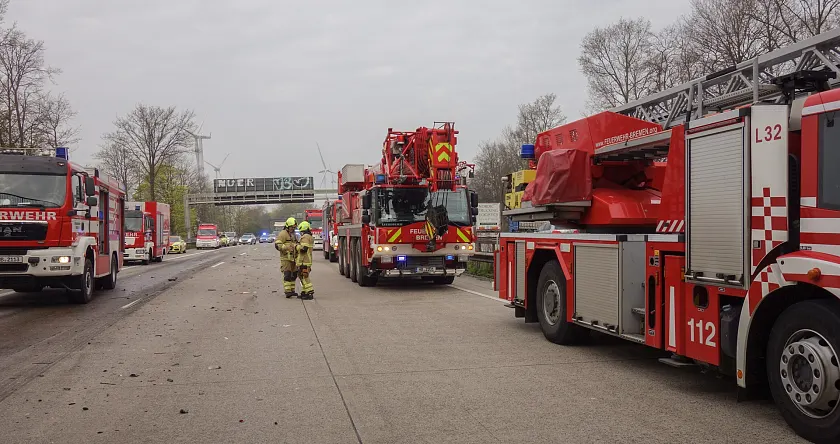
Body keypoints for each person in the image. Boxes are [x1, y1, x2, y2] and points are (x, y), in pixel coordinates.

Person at [274, 217, 298, 298]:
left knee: (294, 274)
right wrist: (286, 248)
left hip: (293, 258)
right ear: (287, 226)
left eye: (294, 227)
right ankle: (287, 291)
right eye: (292, 227)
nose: (293, 229)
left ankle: (292, 290)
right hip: (285, 258)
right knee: (287, 274)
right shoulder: (283, 234)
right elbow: (277, 244)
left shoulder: (293, 234)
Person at [295, 220, 315, 300]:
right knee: (302, 276)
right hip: (307, 260)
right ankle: (304, 292)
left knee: (304, 276)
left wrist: (296, 246)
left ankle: (309, 292)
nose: (300, 233)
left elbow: (304, 248)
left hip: (304, 261)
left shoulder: (305, 237)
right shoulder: (309, 236)